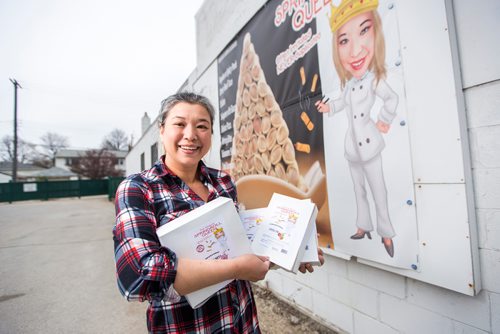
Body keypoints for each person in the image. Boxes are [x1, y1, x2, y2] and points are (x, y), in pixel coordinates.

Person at [113, 92, 324, 333]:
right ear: (162, 130)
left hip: (241, 321)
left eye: (202, 126)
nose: (190, 135)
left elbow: (241, 249)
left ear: (211, 134)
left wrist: (295, 250)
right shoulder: (138, 188)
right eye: (179, 124)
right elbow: (139, 277)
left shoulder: (223, 182)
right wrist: (236, 268)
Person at [315, 0, 398, 258]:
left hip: (370, 144)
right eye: (343, 41)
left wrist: (384, 119)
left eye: (364, 31)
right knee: (358, 188)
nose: (355, 50)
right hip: (352, 146)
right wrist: (329, 108)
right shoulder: (350, 84)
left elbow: (392, 99)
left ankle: (386, 232)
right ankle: (363, 226)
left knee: (378, 189)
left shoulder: (375, 79)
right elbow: (341, 103)